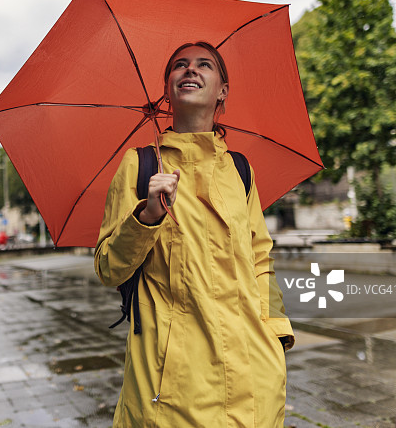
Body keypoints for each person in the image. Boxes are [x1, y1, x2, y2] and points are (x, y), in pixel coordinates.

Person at [95, 41, 294, 427]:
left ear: (222, 90)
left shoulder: (240, 170)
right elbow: (107, 268)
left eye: (205, 65)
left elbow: (259, 258)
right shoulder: (140, 165)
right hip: (172, 384)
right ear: (168, 89)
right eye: (179, 66)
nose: (190, 70)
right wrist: (148, 215)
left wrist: (276, 337)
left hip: (254, 373)